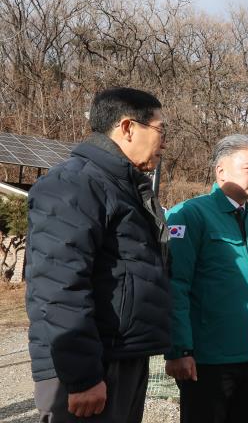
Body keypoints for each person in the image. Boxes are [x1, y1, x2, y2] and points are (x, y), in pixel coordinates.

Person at [26, 87, 171, 422]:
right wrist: (83, 376)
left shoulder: (125, 188)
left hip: (121, 354)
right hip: (89, 366)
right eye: (160, 130)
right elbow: (57, 286)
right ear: (127, 127)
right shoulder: (74, 183)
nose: (164, 142)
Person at [164, 134, 248, 423]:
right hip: (207, 359)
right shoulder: (190, 215)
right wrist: (179, 350)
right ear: (221, 171)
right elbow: (175, 284)